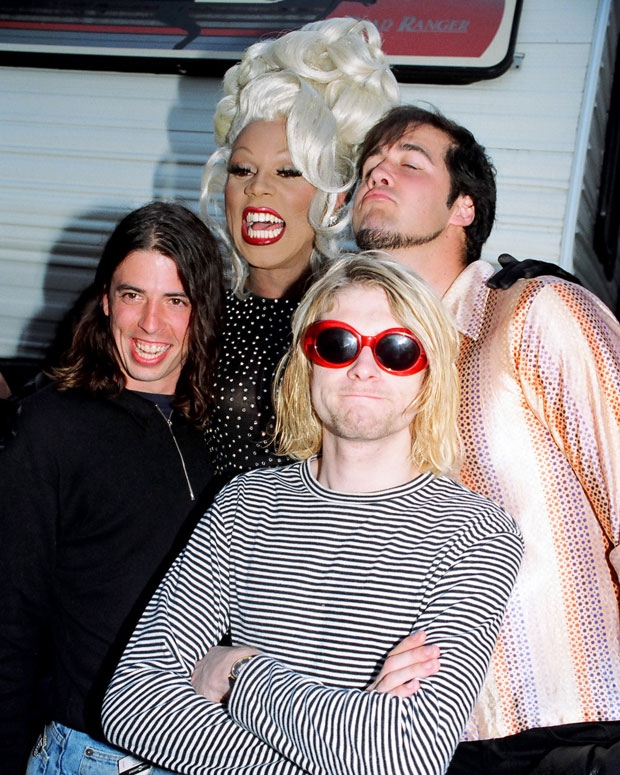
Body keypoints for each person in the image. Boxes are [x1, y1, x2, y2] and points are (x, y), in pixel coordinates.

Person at [102, 253, 524, 775]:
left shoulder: (476, 532)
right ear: (307, 360)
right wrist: (349, 738)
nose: (363, 367)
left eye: (397, 350)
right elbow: (131, 701)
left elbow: (406, 754)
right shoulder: (243, 504)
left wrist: (237, 671)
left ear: (430, 374)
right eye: (337, 343)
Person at [351, 104, 620, 773]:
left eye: (408, 160)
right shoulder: (368, 370)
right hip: (434, 739)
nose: (378, 171)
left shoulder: (535, 312)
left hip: (572, 724)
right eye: (367, 167)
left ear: (463, 207)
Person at [0, 201, 224, 774]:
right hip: (90, 755)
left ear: (202, 311)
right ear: (105, 301)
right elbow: (9, 623)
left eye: (175, 300)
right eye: (132, 295)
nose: (151, 324)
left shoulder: (207, 441)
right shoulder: (53, 426)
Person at [199, 16, 400, 483]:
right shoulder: (190, 306)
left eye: (288, 173)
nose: (257, 191)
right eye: (243, 170)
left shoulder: (362, 316)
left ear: (334, 196)